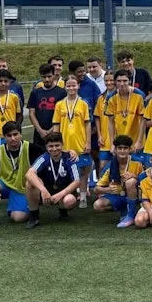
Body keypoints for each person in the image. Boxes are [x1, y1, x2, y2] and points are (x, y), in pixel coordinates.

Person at [0, 122, 46, 229]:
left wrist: (70, 152)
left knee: (18, 218)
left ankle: (24, 206)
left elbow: (51, 154)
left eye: (15, 134)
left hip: (22, 189)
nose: (13, 138)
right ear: (4, 137)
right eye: (9, 136)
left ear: (20, 134)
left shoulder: (32, 148)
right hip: (5, 185)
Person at [23, 132, 81, 229]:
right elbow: (29, 173)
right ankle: (34, 216)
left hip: (64, 191)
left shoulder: (70, 158)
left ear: (62, 144)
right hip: (47, 192)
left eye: (57, 145)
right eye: (51, 146)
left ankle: (63, 211)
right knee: (30, 183)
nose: (54, 149)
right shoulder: (44, 157)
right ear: (46, 146)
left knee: (69, 200)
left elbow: (77, 181)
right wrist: (43, 190)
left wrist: (60, 194)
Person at [51, 76, 92, 207]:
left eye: (74, 85)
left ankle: (83, 197)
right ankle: (68, 196)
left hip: (80, 143)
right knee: (67, 172)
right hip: (65, 145)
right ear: (65, 87)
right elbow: (56, 124)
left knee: (84, 172)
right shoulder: (59, 104)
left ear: (78, 86)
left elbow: (87, 124)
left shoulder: (83, 103)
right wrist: (56, 141)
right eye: (68, 86)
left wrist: (88, 142)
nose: (71, 88)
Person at [92, 135, 144, 228]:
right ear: (115, 150)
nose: (122, 151)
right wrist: (108, 189)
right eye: (119, 148)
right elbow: (96, 189)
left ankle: (131, 215)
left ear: (130, 149)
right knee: (97, 205)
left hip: (136, 194)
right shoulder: (111, 165)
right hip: (119, 195)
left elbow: (148, 181)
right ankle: (124, 209)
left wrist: (135, 177)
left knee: (130, 181)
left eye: (125, 148)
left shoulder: (138, 162)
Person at [105, 69, 146, 157]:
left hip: (135, 141)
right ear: (115, 82)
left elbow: (143, 120)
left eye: (125, 81)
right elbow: (111, 122)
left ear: (130, 81)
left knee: (138, 167)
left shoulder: (139, 95)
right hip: (120, 142)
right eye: (119, 81)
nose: (122, 84)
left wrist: (139, 141)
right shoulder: (111, 97)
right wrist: (112, 143)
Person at [28, 64, 66, 148]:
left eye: (49, 76)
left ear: (54, 75)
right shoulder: (35, 92)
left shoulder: (62, 92)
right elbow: (31, 113)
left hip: (56, 132)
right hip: (39, 134)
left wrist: (51, 130)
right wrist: (40, 130)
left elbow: (63, 114)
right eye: (44, 77)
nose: (47, 79)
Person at [94, 71, 115, 172]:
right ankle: (101, 187)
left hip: (118, 137)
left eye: (112, 80)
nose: (109, 83)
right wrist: (99, 135)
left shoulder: (122, 97)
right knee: (103, 166)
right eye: (106, 80)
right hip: (105, 139)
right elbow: (97, 117)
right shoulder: (101, 98)